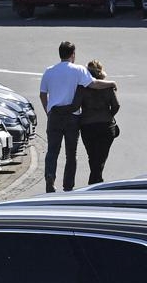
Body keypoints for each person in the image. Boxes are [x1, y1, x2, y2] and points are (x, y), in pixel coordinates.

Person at [40, 41, 117, 193]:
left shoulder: (49, 71)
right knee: (71, 153)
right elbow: (93, 84)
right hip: (72, 116)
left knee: (52, 150)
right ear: (73, 54)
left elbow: (42, 94)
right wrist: (111, 83)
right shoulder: (78, 70)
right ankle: (68, 186)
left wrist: (48, 111)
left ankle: (50, 176)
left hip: (54, 114)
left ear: (60, 54)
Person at [52, 60, 120, 185]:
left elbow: (74, 106)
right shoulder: (108, 88)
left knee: (92, 156)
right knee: (101, 157)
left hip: (88, 127)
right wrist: (108, 116)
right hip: (106, 127)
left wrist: (57, 108)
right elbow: (116, 106)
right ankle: (95, 182)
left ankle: (94, 182)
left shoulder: (82, 88)